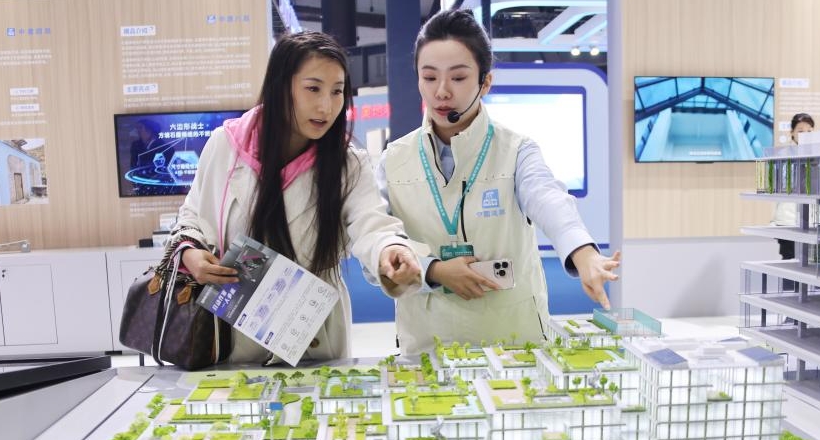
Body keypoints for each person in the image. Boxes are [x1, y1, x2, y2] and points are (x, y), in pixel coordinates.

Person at [170, 31, 425, 365]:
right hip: (234, 327)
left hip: (311, 330)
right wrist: (190, 252)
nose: (326, 106)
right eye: (313, 88)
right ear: (280, 87)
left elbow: (371, 223)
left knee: (316, 400)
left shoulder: (347, 162)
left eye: (337, 91)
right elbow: (192, 215)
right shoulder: (226, 146)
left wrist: (390, 250)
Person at [376, 9, 620, 354]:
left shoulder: (516, 150)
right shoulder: (394, 160)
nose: (442, 91)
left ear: (485, 82)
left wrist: (584, 253)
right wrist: (434, 270)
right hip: (428, 347)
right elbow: (378, 244)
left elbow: (548, 199)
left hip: (514, 344)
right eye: (429, 77)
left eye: (458, 77)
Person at [772, 113, 815, 265]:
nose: (806, 135)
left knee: (813, 265)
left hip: (813, 220)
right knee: (790, 264)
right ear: (792, 133)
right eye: (801, 131)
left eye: (809, 131)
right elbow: (783, 184)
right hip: (788, 220)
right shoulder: (782, 156)